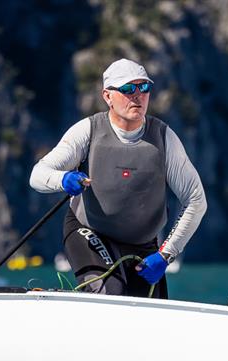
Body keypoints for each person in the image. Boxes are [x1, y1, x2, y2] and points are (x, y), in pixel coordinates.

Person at [29, 58, 207, 298]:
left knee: (149, 316)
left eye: (143, 87)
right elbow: (37, 175)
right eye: (127, 89)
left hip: (143, 244)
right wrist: (64, 179)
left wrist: (166, 255)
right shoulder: (88, 131)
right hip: (89, 231)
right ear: (107, 96)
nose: (137, 95)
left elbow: (196, 200)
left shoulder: (164, 138)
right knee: (111, 292)